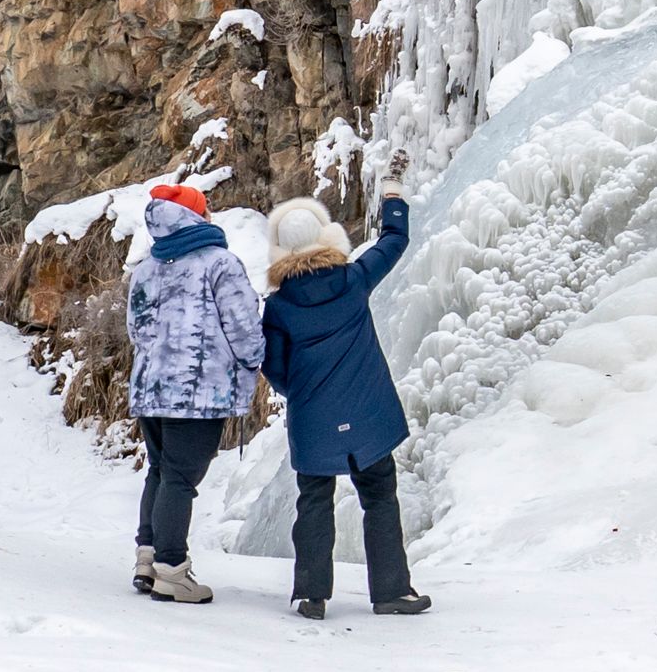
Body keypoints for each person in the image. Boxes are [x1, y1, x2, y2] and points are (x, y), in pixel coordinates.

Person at [261, 194, 427, 620]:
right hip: (369, 414)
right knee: (380, 498)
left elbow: (274, 368)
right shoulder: (353, 279)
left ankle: (310, 596)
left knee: (314, 501)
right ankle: (392, 592)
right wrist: (392, 198)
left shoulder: (278, 307)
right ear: (323, 236)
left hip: (314, 419)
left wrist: (303, 391)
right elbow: (394, 240)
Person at [120, 180, 256, 605]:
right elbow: (243, 327)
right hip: (199, 394)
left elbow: (136, 331)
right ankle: (172, 572)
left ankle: (149, 559)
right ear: (197, 216)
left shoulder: (145, 268)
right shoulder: (220, 264)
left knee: (160, 472)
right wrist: (252, 363)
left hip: (150, 388)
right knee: (180, 479)